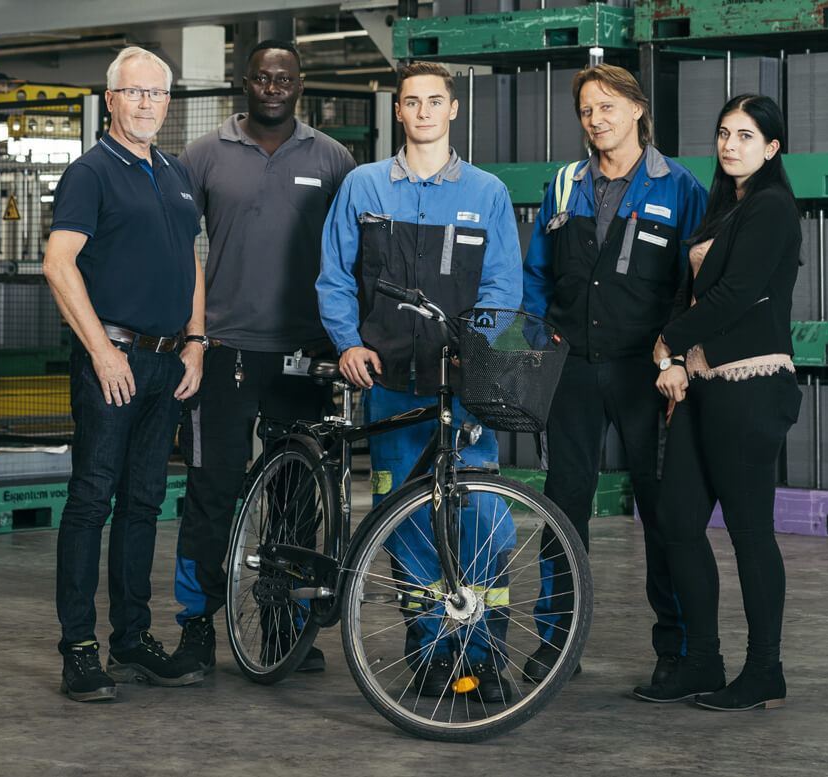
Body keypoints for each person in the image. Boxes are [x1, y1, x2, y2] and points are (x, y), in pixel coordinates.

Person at [317, 61, 522, 700]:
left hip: (462, 386)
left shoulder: (487, 192)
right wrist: (349, 343)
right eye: (413, 102)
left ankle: (484, 650)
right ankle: (431, 648)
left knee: (485, 515)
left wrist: (476, 355)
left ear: (453, 110)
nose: (425, 112)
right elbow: (334, 276)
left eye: (436, 101)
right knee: (402, 518)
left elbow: (502, 289)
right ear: (398, 112)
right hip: (390, 382)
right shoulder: (363, 186)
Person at [169, 40, 356, 675]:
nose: (272, 85)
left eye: (284, 77)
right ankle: (195, 627)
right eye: (261, 77)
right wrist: (190, 332)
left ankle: (285, 628)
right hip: (224, 353)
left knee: (297, 497)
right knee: (212, 489)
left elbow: (350, 254)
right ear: (243, 83)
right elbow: (173, 244)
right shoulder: (203, 155)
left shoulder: (332, 159)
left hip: (306, 355)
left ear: (300, 84)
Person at [521, 64, 707, 684]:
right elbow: (536, 274)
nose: (596, 120)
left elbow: (695, 283)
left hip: (644, 372)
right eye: (586, 111)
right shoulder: (566, 183)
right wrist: (539, 334)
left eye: (607, 107)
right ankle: (557, 644)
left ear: (637, 109)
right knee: (563, 505)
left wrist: (675, 352)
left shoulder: (678, 187)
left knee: (660, 508)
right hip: (573, 368)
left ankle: (675, 649)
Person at [44, 46, 207, 702]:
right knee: (91, 498)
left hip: (169, 361)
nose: (145, 103)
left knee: (144, 502)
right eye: (133, 92)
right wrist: (102, 351)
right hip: (112, 360)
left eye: (156, 94)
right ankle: (79, 648)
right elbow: (60, 263)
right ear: (110, 99)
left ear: (169, 102)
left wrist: (196, 342)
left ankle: (132, 639)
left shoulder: (174, 172)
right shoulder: (90, 173)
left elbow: (192, 261)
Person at [631, 94, 802, 710]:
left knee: (750, 531)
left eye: (747, 136)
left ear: (772, 147)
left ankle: (765, 672)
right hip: (702, 385)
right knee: (677, 522)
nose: (731, 145)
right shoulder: (720, 209)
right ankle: (702, 662)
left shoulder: (774, 208)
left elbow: (735, 295)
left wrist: (664, 342)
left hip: (752, 388)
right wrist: (674, 359)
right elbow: (689, 290)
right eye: (725, 133)